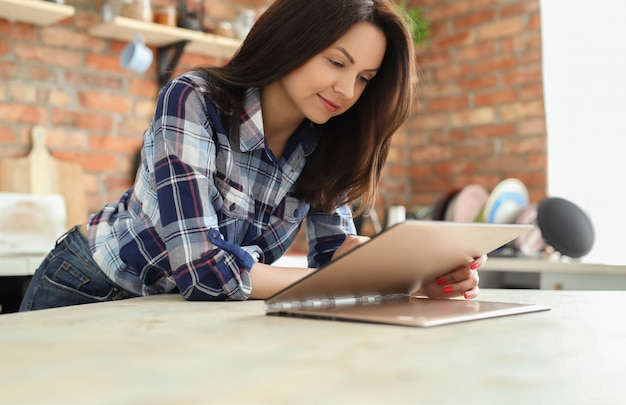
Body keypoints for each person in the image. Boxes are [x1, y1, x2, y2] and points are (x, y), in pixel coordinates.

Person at [19, 0, 486, 312]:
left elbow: (331, 253)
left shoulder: (331, 139)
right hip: (90, 287)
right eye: (336, 63)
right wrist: (331, 286)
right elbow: (203, 272)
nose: (347, 91)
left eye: (364, 78)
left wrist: (411, 275)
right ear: (293, 43)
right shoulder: (194, 97)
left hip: (176, 311)